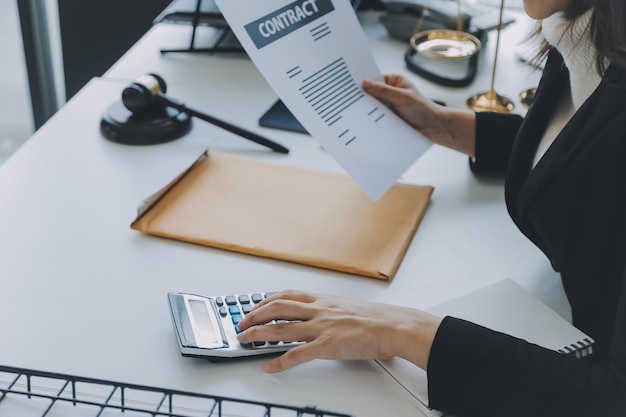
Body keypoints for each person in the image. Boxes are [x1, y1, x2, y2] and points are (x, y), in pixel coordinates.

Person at [236, 0, 626, 415]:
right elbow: (588, 152)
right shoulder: (585, 35)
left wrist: (406, 331)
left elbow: (612, 399)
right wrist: (447, 126)